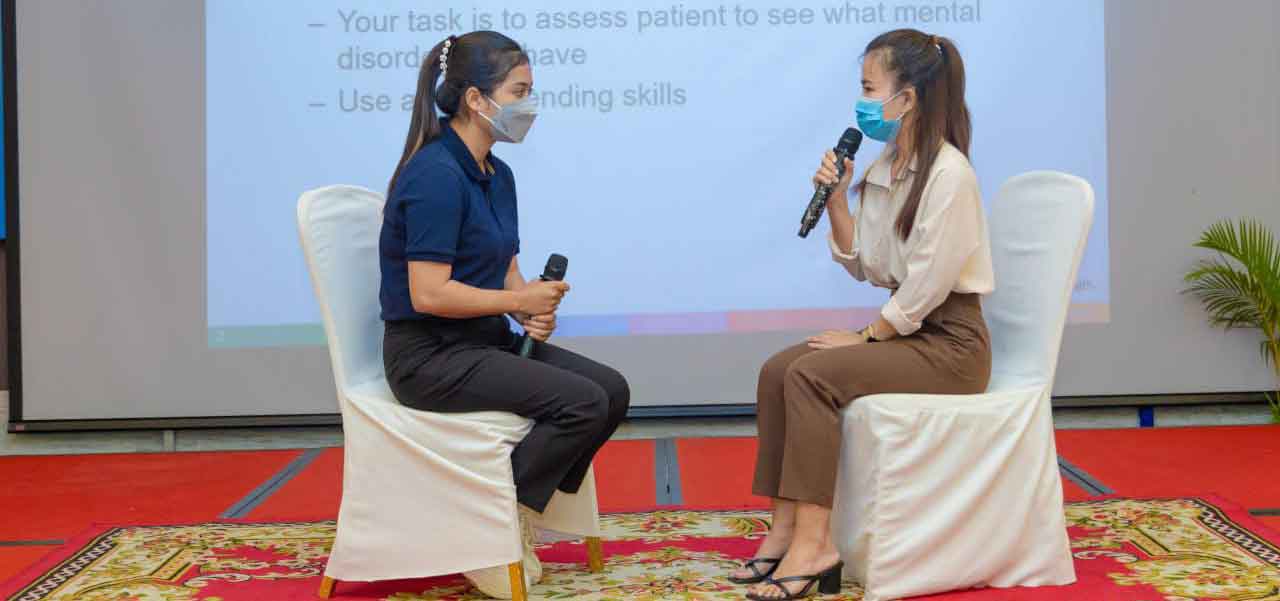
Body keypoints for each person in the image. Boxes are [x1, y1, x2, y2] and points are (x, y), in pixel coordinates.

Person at [731, 29, 995, 600]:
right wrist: (836, 200)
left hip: (951, 345)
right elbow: (868, 265)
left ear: (909, 98)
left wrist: (869, 336)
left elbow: (928, 285)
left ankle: (815, 543)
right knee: (778, 370)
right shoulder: (888, 165)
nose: (862, 102)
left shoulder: (950, 174)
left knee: (811, 376)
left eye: (870, 89)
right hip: (909, 332)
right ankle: (783, 530)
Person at [378, 30, 630, 599]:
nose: (529, 106)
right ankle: (489, 528)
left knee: (611, 391)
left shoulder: (497, 173)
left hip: (481, 341)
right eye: (519, 92)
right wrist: (518, 302)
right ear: (476, 99)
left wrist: (529, 305)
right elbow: (429, 294)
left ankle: (514, 507)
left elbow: (504, 267)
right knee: (581, 402)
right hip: (428, 356)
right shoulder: (435, 175)